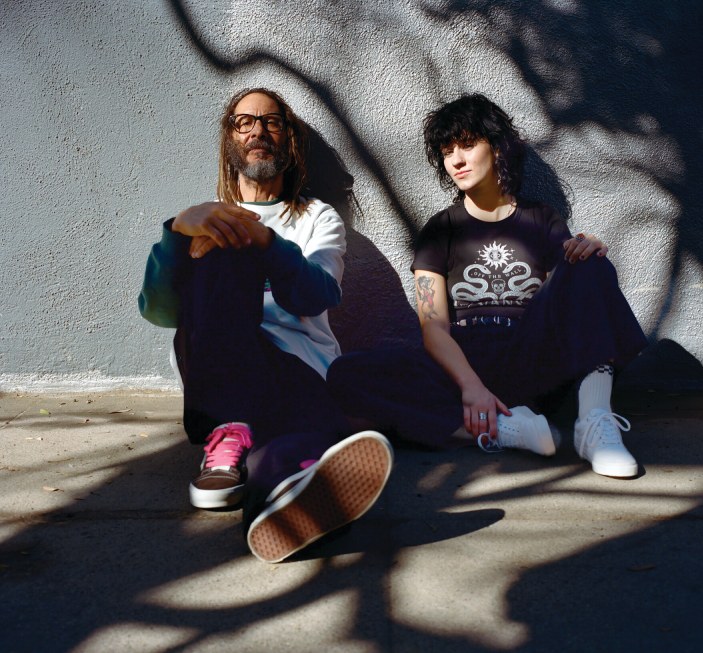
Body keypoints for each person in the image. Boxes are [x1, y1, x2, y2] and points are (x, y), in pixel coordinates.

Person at [328, 93, 648, 478]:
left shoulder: (541, 219)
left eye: (467, 145)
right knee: (347, 374)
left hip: (528, 354)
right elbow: (433, 327)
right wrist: (472, 387)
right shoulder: (440, 230)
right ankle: (509, 429)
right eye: (447, 151)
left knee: (588, 260)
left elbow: (571, 300)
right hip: (465, 360)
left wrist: (585, 251)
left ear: (496, 148)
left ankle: (594, 422)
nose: (456, 160)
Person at [138, 88, 393, 562]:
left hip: (295, 370)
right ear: (230, 138)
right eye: (245, 122)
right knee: (225, 240)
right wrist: (175, 232)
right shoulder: (204, 217)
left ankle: (279, 495)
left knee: (286, 449)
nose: (258, 130)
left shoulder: (317, 218)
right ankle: (237, 433)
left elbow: (316, 295)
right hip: (218, 371)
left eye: (272, 122)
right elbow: (160, 311)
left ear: (288, 139)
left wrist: (266, 242)